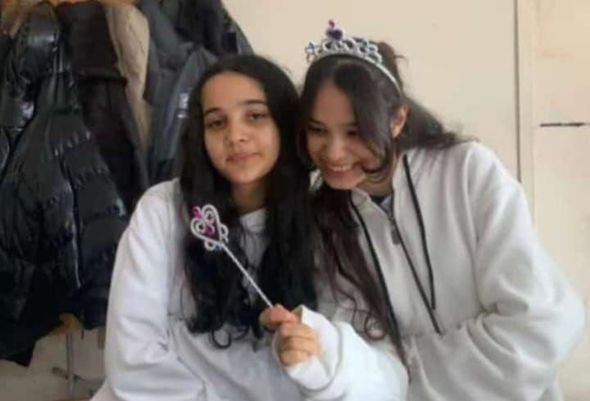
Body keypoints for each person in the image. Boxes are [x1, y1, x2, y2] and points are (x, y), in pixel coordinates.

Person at [92, 54, 407, 401]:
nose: (236, 136)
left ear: (284, 123)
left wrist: (324, 356)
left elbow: (385, 378)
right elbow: (133, 359)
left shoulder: (326, 225)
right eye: (217, 123)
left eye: (255, 116)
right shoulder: (163, 210)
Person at [299, 22, 586, 401]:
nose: (333, 152)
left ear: (397, 120)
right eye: (318, 130)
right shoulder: (323, 224)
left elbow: (540, 325)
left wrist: (401, 371)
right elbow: (358, 364)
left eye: (355, 132)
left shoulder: (467, 172)